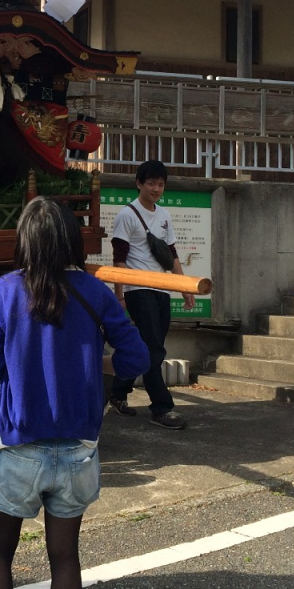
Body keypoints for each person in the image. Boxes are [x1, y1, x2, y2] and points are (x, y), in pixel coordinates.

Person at [0, 196, 150, 589]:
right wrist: (99, 365)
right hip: (78, 448)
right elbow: (137, 356)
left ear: (25, 242)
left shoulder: (6, 290)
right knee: (65, 559)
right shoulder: (95, 292)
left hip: (17, 444)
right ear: (72, 240)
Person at [107, 159, 194, 430]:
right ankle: (161, 407)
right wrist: (120, 295)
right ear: (139, 184)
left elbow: (172, 255)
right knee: (154, 348)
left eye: (160, 184)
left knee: (148, 348)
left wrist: (184, 287)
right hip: (137, 289)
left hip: (161, 288)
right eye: (151, 183)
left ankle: (118, 392)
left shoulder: (165, 216)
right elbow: (118, 259)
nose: (156, 188)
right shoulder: (127, 216)